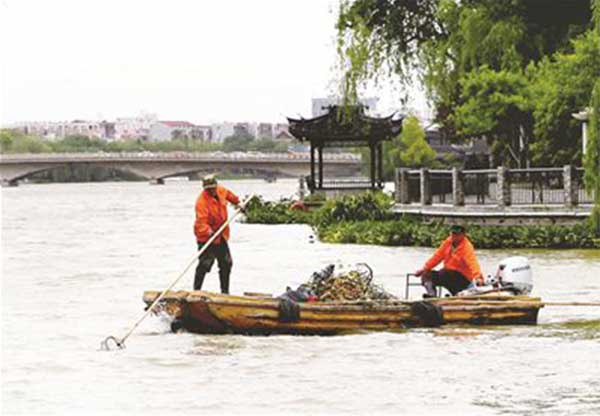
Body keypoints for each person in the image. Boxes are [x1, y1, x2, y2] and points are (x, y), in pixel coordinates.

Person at [193, 174, 241, 294]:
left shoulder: (221, 190)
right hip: (206, 237)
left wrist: (238, 203)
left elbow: (230, 196)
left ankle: (225, 292)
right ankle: (196, 290)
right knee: (205, 264)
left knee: (226, 263)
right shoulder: (201, 202)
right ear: (205, 189)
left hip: (221, 234)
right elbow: (201, 222)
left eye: (213, 188)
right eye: (208, 189)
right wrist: (209, 231)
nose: (212, 191)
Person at [414, 224, 483, 297]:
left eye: (457, 234)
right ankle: (431, 294)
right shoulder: (448, 242)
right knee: (426, 274)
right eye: (453, 233)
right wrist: (424, 269)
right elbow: (437, 257)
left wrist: (478, 277)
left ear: (463, 235)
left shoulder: (467, 247)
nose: (454, 236)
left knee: (446, 272)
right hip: (447, 275)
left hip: (462, 278)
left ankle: (456, 296)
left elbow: (472, 262)